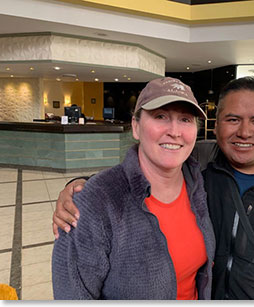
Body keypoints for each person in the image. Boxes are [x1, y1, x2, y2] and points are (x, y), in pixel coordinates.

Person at [53, 77, 254, 300]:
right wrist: (81, 187)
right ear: (216, 124)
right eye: (232, 119)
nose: (244, 132)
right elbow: (137, 174)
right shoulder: (200, 161)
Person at [52, 77, 216, 300]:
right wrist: (84, 189)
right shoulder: (95, 203)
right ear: (136, 127)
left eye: (185, 119)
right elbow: (71, 296)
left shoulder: (199, 181)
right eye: (161, 116)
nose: (175, 131)